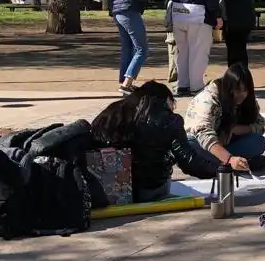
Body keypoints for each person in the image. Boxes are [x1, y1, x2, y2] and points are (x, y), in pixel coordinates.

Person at [90, 81, 219, 202]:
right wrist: (220, 170)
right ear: (168, 100)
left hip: (107, 188)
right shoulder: (170, 120)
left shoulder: (112, 112)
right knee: (189, 143)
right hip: (148, 189)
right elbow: (188, 161)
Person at [183, 62, 265, 172]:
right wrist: (229, 159)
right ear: (229, 88)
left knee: (258, 142)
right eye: (238, 90)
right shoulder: (208, 99)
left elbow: (260, 125)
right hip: (202, 145)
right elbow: (203, 134)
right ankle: (230, 164)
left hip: (226, 145)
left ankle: (223, 164)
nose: (241, 94)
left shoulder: (247, 100)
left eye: (245, 91)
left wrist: (237, 129)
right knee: (189, 146)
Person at [164, 0, 221, 96]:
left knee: (183, 52)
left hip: (178, 14)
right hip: (198, 15)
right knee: (198, 52)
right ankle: (196, 85)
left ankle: (183, 84)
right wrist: (217, 15)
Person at [108, 0, 150, 96]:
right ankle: (127, 83)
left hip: (118, 10)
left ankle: (123, 81)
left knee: (127, 47)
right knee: (142, 49)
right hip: (128, 9)